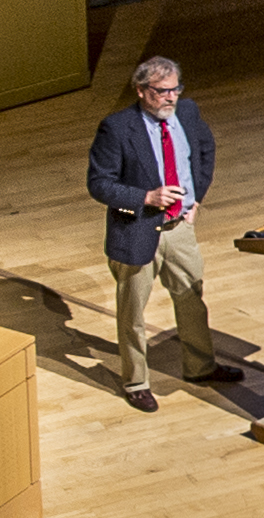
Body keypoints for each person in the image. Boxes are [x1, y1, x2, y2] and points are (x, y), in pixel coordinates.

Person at [83, 45, 221, 407]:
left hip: (180, 229)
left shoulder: (188, 113)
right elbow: (99, 183)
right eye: (163, 91)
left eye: (176, 89)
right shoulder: (117, 128)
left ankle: (200, 367)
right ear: (142, 91)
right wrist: (146, 197)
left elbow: (204, 150)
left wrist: (195, 199)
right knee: (133, 314)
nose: (172, 98)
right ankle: (135, 383)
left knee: (192, 300)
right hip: (137, 231)